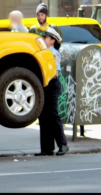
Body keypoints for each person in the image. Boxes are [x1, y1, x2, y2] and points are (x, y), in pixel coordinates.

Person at [35, 27, 68, 156]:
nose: (43, 39)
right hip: (43, 85)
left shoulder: (53, 53)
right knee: (43, 117)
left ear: (52, 40)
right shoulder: (43, 52)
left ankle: (63, 144)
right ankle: (47, 148)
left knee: (53, 115)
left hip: (51, 84)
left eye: (46, 38)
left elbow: (55, 72)